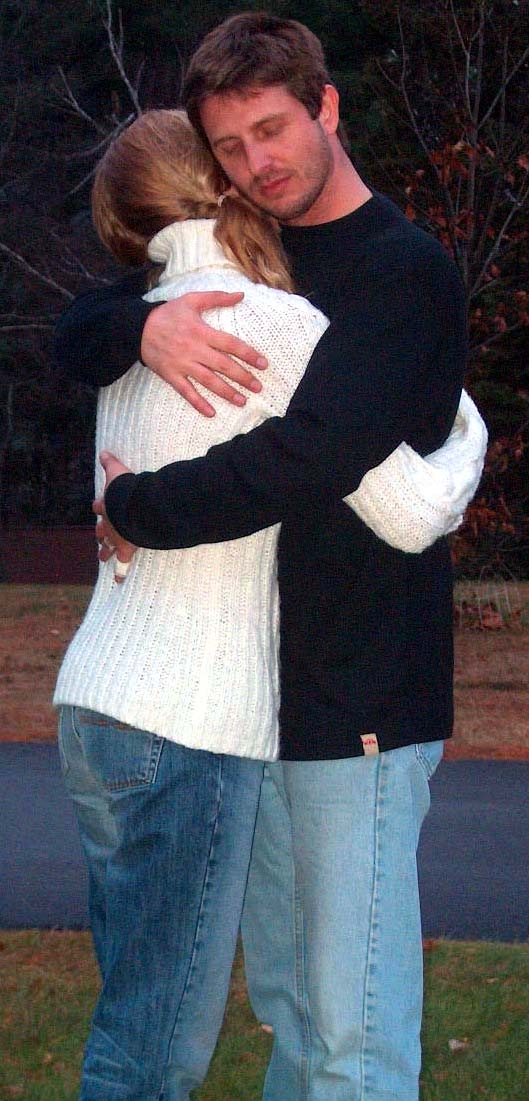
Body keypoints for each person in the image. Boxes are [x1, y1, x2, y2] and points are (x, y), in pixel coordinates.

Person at [54, 14, 483, 1101]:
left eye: (273, 129)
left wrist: (136, 506)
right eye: (231, 147)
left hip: (361, 704)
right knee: (289, 1013)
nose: (257, 164)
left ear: (326, 107)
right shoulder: (256, 243)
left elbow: (311, 456)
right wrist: (138, 332)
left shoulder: (403, 273)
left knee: (351, 1036)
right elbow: (91, 314)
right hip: (251, 710)